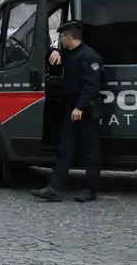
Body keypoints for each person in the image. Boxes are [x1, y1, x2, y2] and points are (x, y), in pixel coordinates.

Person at [33, 19, 105, 203]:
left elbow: (92, 85)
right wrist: (55, 51)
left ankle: (91, 190)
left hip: (85, 109)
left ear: (68, 37)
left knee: (90, 152)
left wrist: (80, 107)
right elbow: (54, 56)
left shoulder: (89, 56)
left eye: (61, 39)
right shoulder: (69, 53)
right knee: (64, 149)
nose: (61, 42)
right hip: (72, 108)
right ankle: (55, 189)